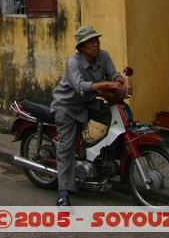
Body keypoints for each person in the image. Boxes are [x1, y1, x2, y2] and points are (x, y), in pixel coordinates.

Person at [50, 25, 133, 207]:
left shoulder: (103, 56)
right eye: (90, 42)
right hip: (68, 106)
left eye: (96, 40)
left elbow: (114, 74)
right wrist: (107, 85)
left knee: (111, 121)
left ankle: (100, 160)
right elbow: (80, 86)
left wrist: (122, 81)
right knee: (66, 148)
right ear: (81, 47)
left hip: (88, 103)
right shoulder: (74, 63)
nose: (95, 44)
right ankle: (63, 193)